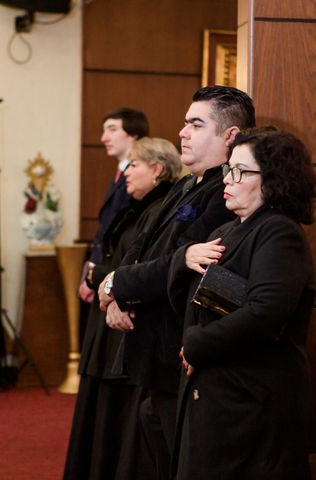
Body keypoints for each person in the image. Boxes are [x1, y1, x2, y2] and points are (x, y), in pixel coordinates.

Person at [98, 86, 255, 480]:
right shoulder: (190, 183)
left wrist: (117, 284)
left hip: (178, 353)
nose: (182, 132)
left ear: (230, 136)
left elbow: (180, 261)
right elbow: (143, 246)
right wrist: (118, 289)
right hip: (155, 352)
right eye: (185, 122)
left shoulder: (224, 194)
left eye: (195, 124)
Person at [167, 126, 316, 479]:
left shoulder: (279, 232)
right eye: (227, 169)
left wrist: (196, 344)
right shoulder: (229, 230)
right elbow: (202, 299)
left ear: (274, 180)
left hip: (253, 402)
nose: (227, 180)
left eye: (240, 172)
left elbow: (265, 314)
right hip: (220, 393)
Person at [63, 137, 181, 480]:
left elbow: (144, 265)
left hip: (130, 322)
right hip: (111, 319)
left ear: (157, 169)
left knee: (122, 421)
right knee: (102, 418)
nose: (126, 173)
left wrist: (101, 278)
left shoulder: (159, 209)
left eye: (134, 165)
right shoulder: (135, 206)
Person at [78, 108, 149, 304]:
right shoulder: (120, 173)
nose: (103, 138)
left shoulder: (138, 180)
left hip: (115, 270)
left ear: (133, 134)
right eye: (103, 130)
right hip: (103, 269)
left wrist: (98, 273)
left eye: (112, 129)